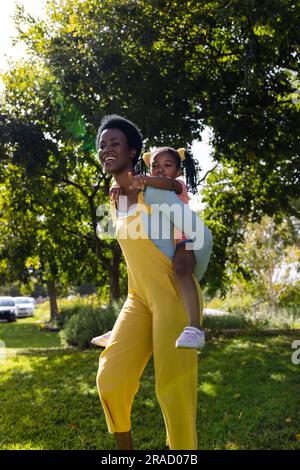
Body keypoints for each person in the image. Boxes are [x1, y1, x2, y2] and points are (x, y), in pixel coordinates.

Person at [95, 114, 213, 450]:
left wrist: (188, 270)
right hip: (139, 301)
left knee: (172, 392)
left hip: (172, 298)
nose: (106, 150)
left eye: (114, 143)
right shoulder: (115, 197)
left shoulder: (156, 194)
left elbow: (202, 235)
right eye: (102, 145)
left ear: (133, 152)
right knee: (110, 380)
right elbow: (135, 258)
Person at [92, 146, 205, 349]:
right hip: (156, 243)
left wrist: (145, 179)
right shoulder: (148, 189)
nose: (160, 170)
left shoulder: (177, 184)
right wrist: (117, 186)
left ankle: (195, 328)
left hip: (183, 240)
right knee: (136, 273)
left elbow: (166, 184)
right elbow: (130, 192)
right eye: (155, 166)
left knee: (181, 269)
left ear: (178, 171)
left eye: (167, 165)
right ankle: (120, 330)